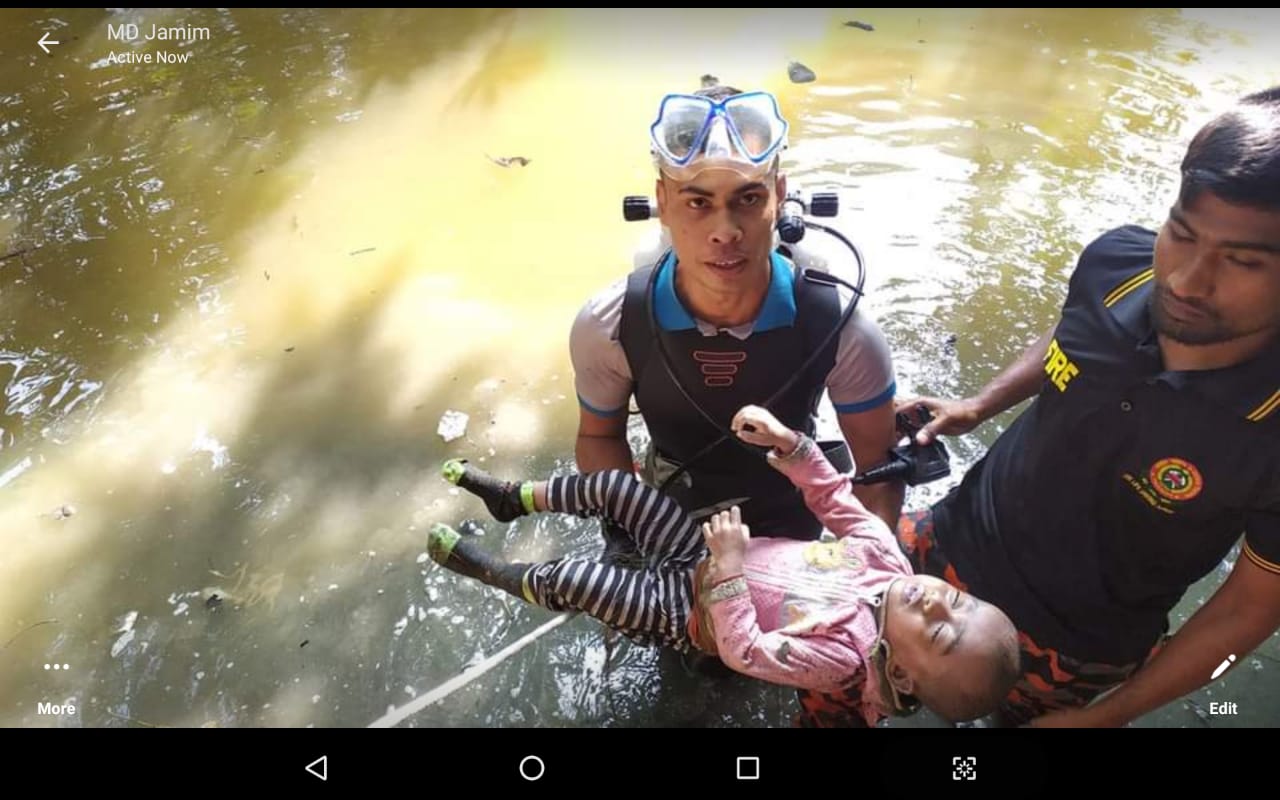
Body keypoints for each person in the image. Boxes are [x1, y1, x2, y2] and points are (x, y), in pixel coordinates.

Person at [885, 86, 1280, 727]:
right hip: (947, 539)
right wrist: (981, 403)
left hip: (1071, 651)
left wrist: (1103, 717)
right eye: (1181, 233)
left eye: (1241, 262)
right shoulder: (1115, 263)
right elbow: (1074, 329)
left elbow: (1249, 609)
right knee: (840, 670)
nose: (1185, 280)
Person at [428, 404, 1021, 726]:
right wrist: (790, 444)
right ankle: (514, 498)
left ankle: (486, 570)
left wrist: (732, 569)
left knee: (576, 581)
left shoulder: (844, 657)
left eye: (940, 632)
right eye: (958, 600)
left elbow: (746, 653)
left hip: (685, 612)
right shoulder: (885, 559)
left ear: (902, 677)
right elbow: (833, 498)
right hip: (697, 552)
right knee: (616, 488)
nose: (937, 602)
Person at [570, 83, 902, 550]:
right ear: (662, 202)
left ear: (779, 197)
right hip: (667, 517)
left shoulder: (840, 329)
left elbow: (876, 470)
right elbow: (599, 437)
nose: (725, 232)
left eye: (747, 199)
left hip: (795, 520)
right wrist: (633, 531)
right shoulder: (610, 326)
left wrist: (868, 569)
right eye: (698, 202)